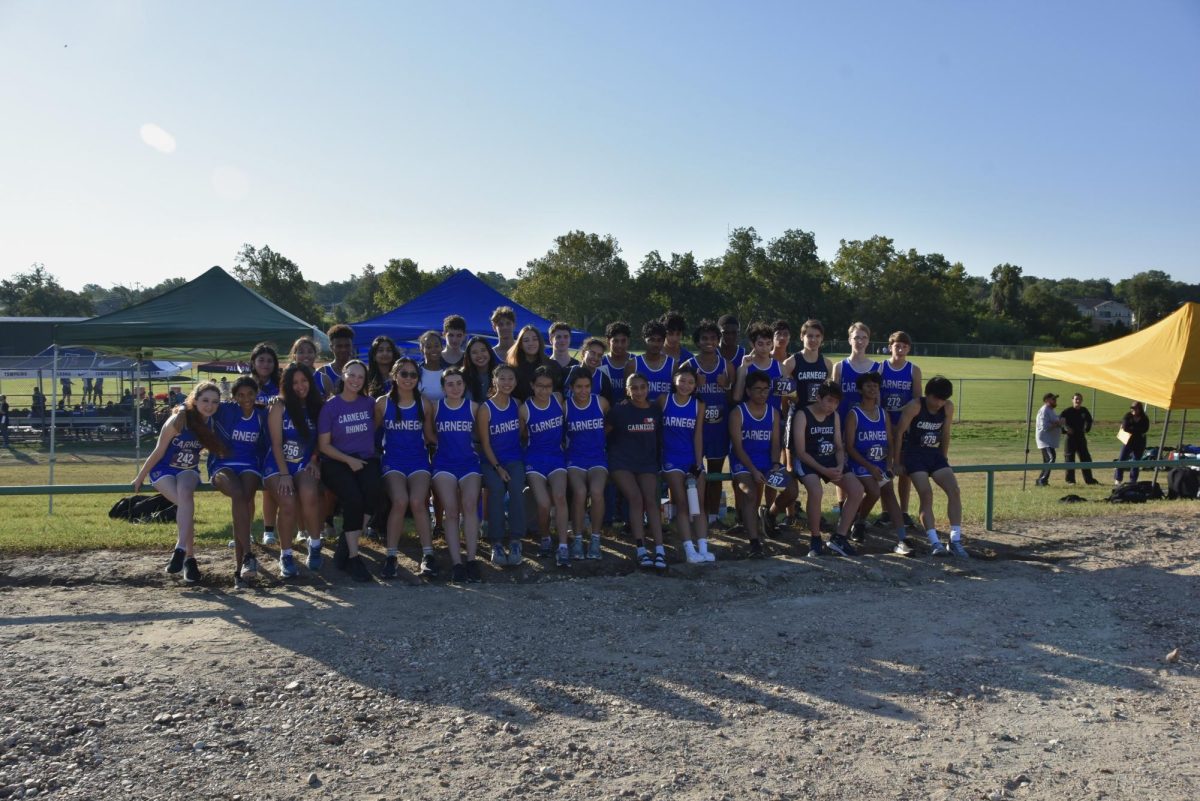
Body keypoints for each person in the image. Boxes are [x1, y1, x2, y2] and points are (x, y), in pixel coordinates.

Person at [132, 381, 225, 585]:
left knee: (185, 496)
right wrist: (140, 476)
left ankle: (180, 549)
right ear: (195, 399)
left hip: (188, 470)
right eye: (205, 400)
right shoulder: (178, 420)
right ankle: (189, 559)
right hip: (163, 469)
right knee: (186, 507)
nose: (210, 406)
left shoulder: (211, 421)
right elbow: (158, 451)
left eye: (215, 402)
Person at [781, 380, 864, 557]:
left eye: (836, 402)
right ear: (818, 398)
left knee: (857, 490)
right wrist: (824, 471)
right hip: (808, 461)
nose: (832, 406)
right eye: (829, 400)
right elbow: (801, 452)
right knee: (816, 491)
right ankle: (815, 538)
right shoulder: (803, 415)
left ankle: (839, 537)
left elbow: (839, 446)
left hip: (830, 460)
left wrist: (840, 465)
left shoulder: (834, 416)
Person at [317, 359, 380, 581]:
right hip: (336, 461)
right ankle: (353, 557)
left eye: (360, 377)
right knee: (353, 499)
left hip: (365, 459)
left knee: (373, 492)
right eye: (351, 375)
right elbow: (324, 445)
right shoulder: (330, 407)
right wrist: (347, 460)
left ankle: (345, 544)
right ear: (343, 375)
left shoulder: (369, 403)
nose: (355, 380)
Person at [375, 357, 435, 579]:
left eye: (413, 375)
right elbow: (370, 433)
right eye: (404, 374)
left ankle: (428, 554)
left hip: (418, 461)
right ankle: (391, 555)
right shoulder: (382, 403)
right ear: (394, 376)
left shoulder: (424, 403)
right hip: (393, 462)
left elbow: (430, 436)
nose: (408, 378)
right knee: (400, 501)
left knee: (418, 501)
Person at [893, 376, 966, 557]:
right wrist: (896, 462)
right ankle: (934, 542)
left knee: (954, 490)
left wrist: (943, 458)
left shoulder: (947, 407)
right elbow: (899, 433)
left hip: (934, 454)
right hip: (914, 455)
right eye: (936, 398)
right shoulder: (915, 406)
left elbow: (946, 433)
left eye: (944, 399)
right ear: (928, 395)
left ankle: (955, 540)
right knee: (926, 494)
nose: (939, 403)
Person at [264, 362, 325, 576]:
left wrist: (315, 459)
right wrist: (283, 474)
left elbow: (322, 439)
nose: (300, 386)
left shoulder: (317, 405)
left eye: (304, 381)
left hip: (304, 461)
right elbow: (276, 444)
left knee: (309, 492)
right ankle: (286, 554)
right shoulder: (279, 406)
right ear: (287, 385)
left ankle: (315, 545)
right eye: (295, 382)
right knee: (287, 500)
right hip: (277, 464)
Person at [210, 376, 269, 587]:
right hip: (223, 465)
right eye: (241, 395)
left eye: (250, 394)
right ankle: (248, 557)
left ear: (257, 394)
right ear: (234, 397)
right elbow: (199, 404)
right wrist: (181, 409)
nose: (246, 399)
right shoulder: (225, 410)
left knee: (243, 499)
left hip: (250, 465)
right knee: (237, 494)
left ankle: (239, 571)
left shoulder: (262, 414)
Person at [844, 372, 910, 555]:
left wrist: (889, 463)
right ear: (860, 389)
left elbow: (889, 440)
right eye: (868, 386)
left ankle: (902, 538)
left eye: (875, 386)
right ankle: (859, 522)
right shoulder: (854, 414)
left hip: (879, 465)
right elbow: (849, 447)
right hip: (860, 465)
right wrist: (870, 467)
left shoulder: (883, 413)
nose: (872, 389)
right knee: (874, 491)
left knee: (889, 493)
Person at [607, 373, 668, 573]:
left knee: (651, 500)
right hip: (622, 462)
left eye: (642, 387)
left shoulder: (655, 410)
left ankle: (660, 549)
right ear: (627, 390)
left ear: (648, 388)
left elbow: (660, 439)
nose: (639, 391)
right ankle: (641, 548)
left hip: (647, 463)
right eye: (634, 388)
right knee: (635, 498)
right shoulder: (619, 410)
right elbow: (603, 434)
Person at [427, 367, 483, 583]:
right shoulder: (436, 407)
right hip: (444, 464)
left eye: (459, 383)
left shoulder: (474, 407)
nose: (455, 387)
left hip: (469, 463)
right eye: (449, 384)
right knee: (451, 511)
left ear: (464, 385)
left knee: (469, 506)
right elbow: (429, 433)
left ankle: (471, 559)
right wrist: (442, 444)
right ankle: (456, 563)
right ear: (443, 388)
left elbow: (480, 434)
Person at [660, 364, 713, 564]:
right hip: (671, 460)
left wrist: (698, 464)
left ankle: (703, 548)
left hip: (691, 459)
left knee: (697, 504)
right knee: (682, 503)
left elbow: (698, 435)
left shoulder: (698, 405)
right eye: (682, 380)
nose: (685, 385)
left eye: (690, 382)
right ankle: (689, 549)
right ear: (674, 381)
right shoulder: (664, 400)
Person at [684, 319, 733, 527]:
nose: (709, 342)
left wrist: (727, 386)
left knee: (715, 473)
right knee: (694, 473)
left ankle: (713, 517)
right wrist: (695, 387)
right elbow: (680, 397)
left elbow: (735, 400)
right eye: (704, 338)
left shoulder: (727, 367)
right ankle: (695, 515)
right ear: (697, 341)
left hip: (718, 428)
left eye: (713, 338)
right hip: (695, 429)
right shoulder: (688, 367)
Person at [477, 364, 527, 567]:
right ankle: (496, 542)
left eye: (511, 379)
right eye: (503, 378)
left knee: (516, 489)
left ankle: (515, 540)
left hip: (514, 459)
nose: (507, 383)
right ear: (494, 381)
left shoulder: (517, 404)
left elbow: (521, 433)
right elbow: (485, 443)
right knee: (496, 489)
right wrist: (498, 467)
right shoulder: (485, 408)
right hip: (491, 460)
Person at [521, 366, 571, 566]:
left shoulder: (558, 400)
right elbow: (520, 436)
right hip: (534, 459)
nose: (544, 390)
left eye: (548, 386)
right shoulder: (525, 409)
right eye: (540, 386)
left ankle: (564, 546)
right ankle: (545, 538)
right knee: (543, 503)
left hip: (556, 457)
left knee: (559, 497)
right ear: (532, 385)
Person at [728, 371, 779, 557]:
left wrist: (775, 464)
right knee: (750, 494)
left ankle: (770, 515)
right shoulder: (738, 412)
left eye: (766, 390)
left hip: (766, 461)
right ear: (748, 391)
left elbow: (775, 444)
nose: (762, 393)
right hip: (743, 462)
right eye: (758, 389)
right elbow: (738, 448)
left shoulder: (773, 413)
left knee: (792, 490)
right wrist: (754, 470)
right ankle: (755, 542)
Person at [564, 370, 609, 560]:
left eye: (587, 386)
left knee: (597, 492)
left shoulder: (601, 402)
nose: (583, 391)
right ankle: (577, 537)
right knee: (580, 492)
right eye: (579, 387)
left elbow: (613, 423)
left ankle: (596, 539)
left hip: (597, 457)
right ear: (571, 388)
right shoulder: (565, 406)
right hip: (574, 458)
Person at [879, 331, 922, 524]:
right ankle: (886, 511)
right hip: (884, 423)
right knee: (885, 467)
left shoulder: (913, 370)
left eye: (904, 346)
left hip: (905, 425)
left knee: (904, 470)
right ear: (890, 347)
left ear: (908, 349)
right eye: (897, 345)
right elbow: (876, 396)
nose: (901, 349)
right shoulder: (881, 368)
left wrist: (904, 420)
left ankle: (903, 511)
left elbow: (917, 399)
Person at [831, 322, 880, 421]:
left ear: (868, 341)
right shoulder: (839, 366)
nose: (860, 341)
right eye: (856, 337)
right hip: (843, 420)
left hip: (867, 424)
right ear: (849, 340)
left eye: (864, 338)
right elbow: (833, 398)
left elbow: (878, 399)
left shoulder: (877, 367)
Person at [508, 324, 561, 401]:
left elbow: (558, 392)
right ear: (520, 345)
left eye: (535, 339)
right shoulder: (513, 368)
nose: (531, 343)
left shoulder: (553, 365)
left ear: (539, 342)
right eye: (526, 340)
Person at [627, 319, 675, 402]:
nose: (655, 344)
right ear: (644, 339)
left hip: (664, 413)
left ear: (664, 341)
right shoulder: (633, 364)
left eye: (659, 340)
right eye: (651, 340)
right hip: (641, 412)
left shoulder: (673, 365)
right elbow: (627, 394)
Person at [1059, 392, 1101, 485]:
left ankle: (1089, 480)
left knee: (1085, 458)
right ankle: (1070, 481)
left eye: (1079, 399)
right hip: (1070, 438)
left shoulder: (1084, 410)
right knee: (1069, 458)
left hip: (1081, 437)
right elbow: (1060, 421)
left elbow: (1089, 420)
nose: (1078, 401)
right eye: (1076, 399)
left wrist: (1087, 429)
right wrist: (1065, 430)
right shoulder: (1067, 411)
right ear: (1072, 400)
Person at [564, 337, 615, 403]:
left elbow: (606, 407)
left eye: (599, 355)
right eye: (592, 353)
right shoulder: (567, 373)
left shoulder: (603, 380)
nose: (595, 358)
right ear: (583, 353)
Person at [1114, 401, 1150, 484]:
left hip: (1140, 442)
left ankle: (1133, 480)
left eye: (1135, 408)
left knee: (1136, 461)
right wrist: (1137, 430)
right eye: (1132, 408)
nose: (1133, 410)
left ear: (1140, 409)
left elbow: (1145, 429)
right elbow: (1125, 427)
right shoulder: (1127, 416)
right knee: (1122, 459)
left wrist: (1133, 429)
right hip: (1128, 441)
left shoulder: (1144, 418)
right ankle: (1118, 479)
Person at [316, 324, 355, 399]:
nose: (343, 349)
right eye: (339, 346)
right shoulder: (322, 373)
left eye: (347, 345)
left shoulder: (361, 371)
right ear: (331, 347)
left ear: (352, 346)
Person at [1034, 392, 1064, 486]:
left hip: (1049, 440)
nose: (1055, 401)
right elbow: (1045, 427)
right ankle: (1042, 480)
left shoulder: (1050, 410)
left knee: (1047, 461)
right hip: (1045, 440)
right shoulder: (1044, 410)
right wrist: (1058, 423)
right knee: (1051, 458)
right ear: (1047, 401)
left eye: (1055, 399)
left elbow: (1055, 421)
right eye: (1053, 399)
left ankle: (1040, 480)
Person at [462, 335, 500, 403]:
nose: (479, 355)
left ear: (489, 352)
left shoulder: (500, 374)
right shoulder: (462, 376)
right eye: (474, 352)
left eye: (483, 350)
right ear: (469, 356)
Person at [602, 321, 633, 399]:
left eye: (623, 341)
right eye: (615, 341)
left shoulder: (635, 362)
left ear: (628, 341)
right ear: (608, 341)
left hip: (627, 410)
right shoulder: (600, 362)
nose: (620, 345)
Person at [417, 330, 447, 403]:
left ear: (442, 348)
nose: (433, 350)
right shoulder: (415, 372)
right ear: (422, 350)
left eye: (437, 346)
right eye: (428, 347)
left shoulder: (448, 372)